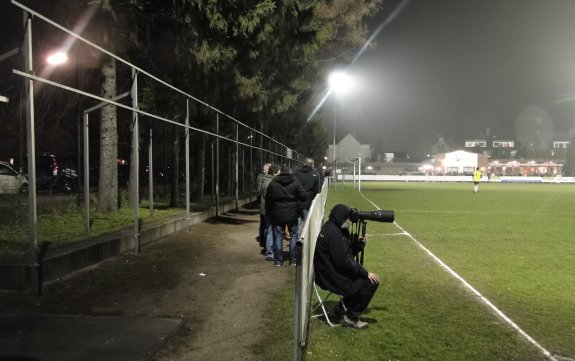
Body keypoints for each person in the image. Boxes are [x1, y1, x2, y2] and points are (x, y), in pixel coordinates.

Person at [313, 204, 380, 329]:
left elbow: (344, 255)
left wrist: (358, 245)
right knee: (371, 281)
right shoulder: (334, 234)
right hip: (330, 277)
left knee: (362, 278)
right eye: (348, 220)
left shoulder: (333, 227)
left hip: (330, 272)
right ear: (343, 218)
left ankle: (340, 309)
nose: (349, 222)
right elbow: (344, 263)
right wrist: (365, 273)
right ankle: (351, 317)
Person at [265, 165, 307, 267]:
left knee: (278, 237)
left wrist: (269, 212)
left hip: (277, 214)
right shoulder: (295, 182)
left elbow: (268, 199)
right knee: (293, 236)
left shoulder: (273, 183)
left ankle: (278, 261)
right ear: (290, 172)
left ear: (281, 172)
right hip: (292, 214)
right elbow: (304, 196)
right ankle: (293, 260)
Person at [259, 164, 280, 260]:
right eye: (279, 172)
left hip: (267, 209)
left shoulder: (266, 180)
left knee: (269, 230)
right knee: (271, 230)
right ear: (274, 172)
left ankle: (270, 251)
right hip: (270, 210)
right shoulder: (270, 182)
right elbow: (271, 197)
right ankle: (270, 252)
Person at [256, 163, 271, 246]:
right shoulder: (262, 178)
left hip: (262, 203)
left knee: (263, 223)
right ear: (266, 170)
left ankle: (263, 240)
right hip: (263, 203)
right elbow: (258, 190)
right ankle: (264, 241)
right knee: (265, 224)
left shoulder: (260, 177)